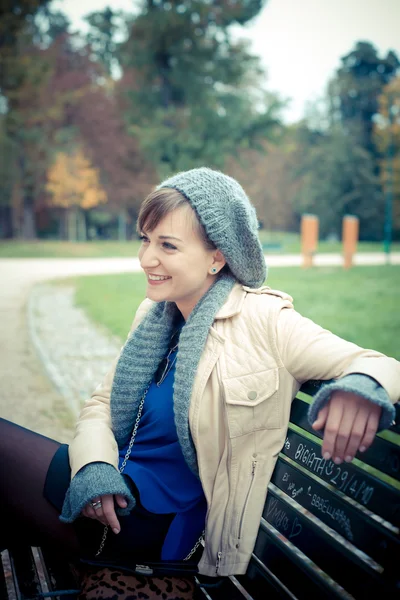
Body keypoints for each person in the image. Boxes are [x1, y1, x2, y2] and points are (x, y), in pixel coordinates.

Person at [1, 167, 399, 585]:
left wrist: (361, 387)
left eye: (167, 245)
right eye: (145, 240)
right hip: (109, 491)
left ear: (217, 256)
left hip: (152, 526)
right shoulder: (155, 315)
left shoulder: (265, 321)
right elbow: (101, 404)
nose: (146, 259)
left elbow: (380, 362)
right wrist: (94, 467)